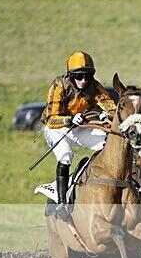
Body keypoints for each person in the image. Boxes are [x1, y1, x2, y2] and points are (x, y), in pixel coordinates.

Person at [41, 51, 117, 221]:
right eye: (79, 77)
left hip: (78, 127)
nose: (83, 81)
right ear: (71, 75)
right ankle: (61, 202)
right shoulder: (59, 86)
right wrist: (69, 118)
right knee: (66, 156)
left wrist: (107, 116)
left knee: (105, 144)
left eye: (87, 76)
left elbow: (111, 107)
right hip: (56, 129)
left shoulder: (94, 86)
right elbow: (50, 118)